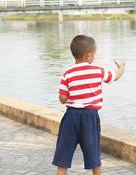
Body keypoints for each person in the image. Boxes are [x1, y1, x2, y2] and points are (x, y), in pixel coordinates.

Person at [52, 35, 125, 175]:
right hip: (89, 117)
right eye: (94, 54)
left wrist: (65, 97)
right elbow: (115, 76)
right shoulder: (97, 70)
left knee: (63, 156)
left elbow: (62, 98)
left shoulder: (67, 73)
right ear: (88, 55)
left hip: (71, 117)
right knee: (94, 155)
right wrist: (121, 67)